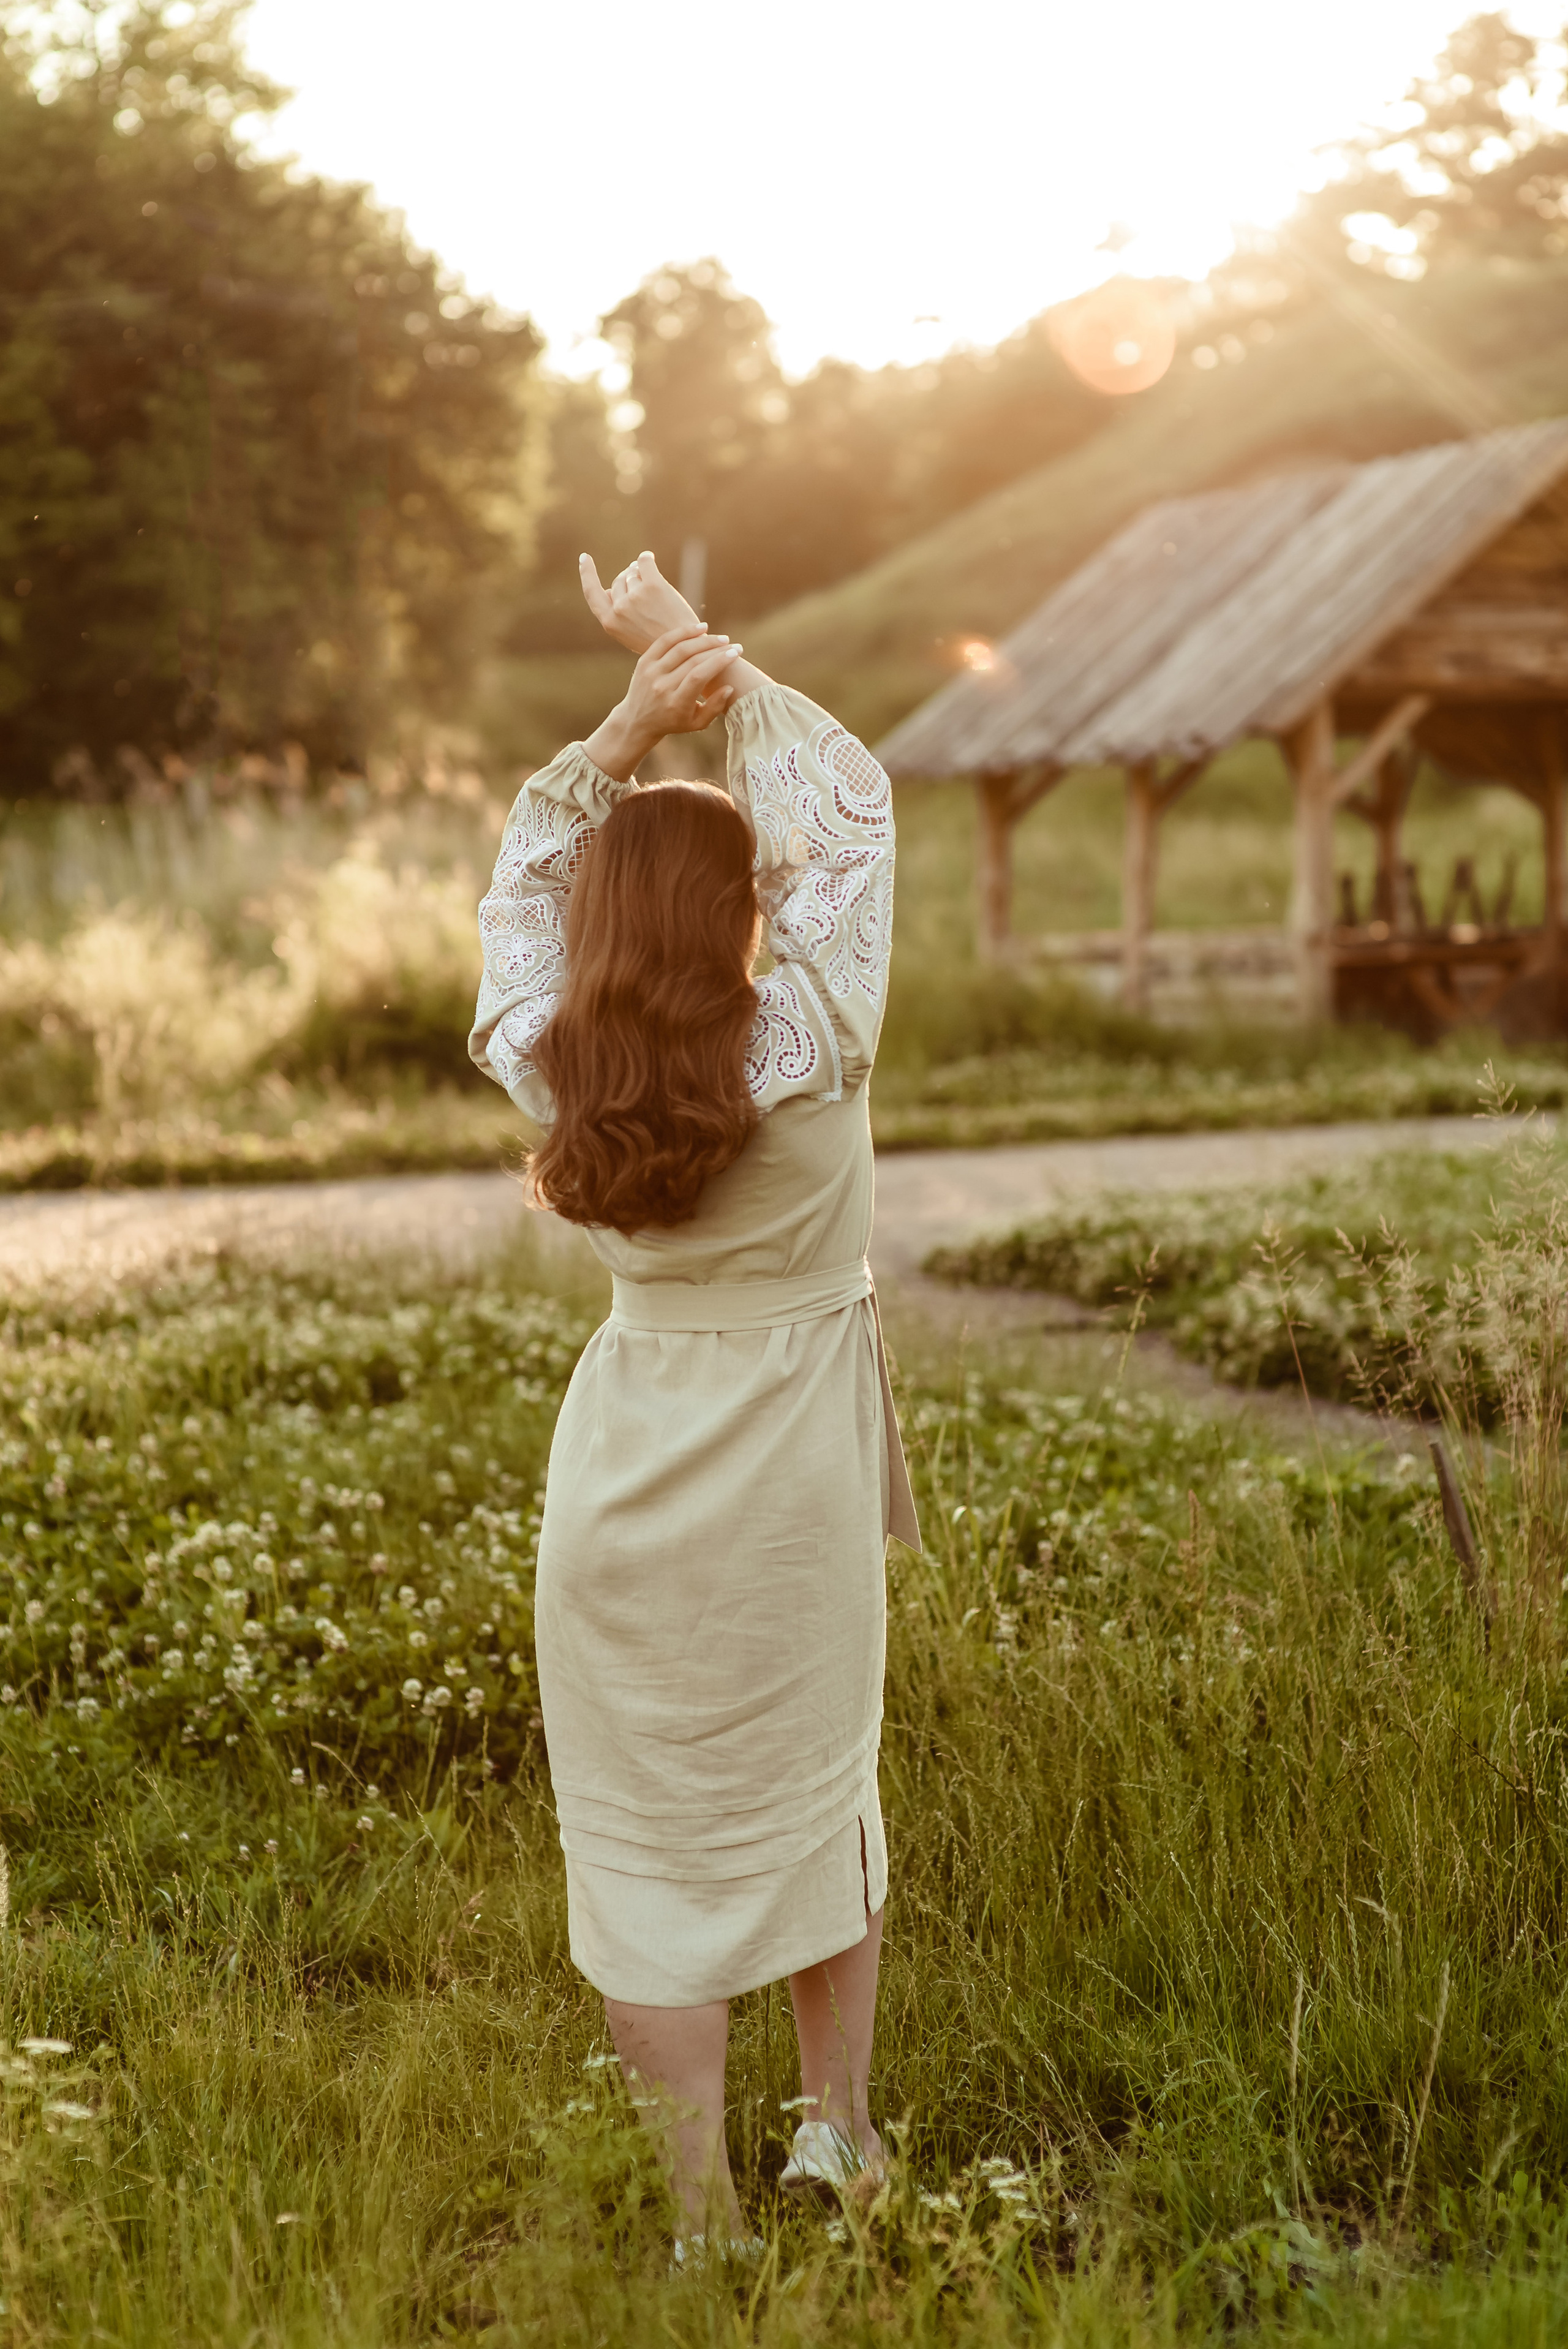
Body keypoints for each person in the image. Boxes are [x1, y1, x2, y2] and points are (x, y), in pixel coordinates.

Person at [469, 550, 919, 2252]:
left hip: (623, 1476)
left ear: (597, 930)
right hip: (793, 1470)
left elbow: (523, 885)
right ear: (752, 910)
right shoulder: (806, 1031)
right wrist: (686, 651)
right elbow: (854, 816)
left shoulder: (551, 1050)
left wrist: (619, 731)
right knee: (820, 1792)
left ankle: (700, 2224)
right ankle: (840, 2140)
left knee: (644, 1846)